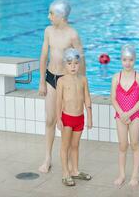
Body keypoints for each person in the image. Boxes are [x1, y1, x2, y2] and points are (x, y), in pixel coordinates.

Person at [38, 0, 86, 173]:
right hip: (51, 77)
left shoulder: (72, 34)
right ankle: (48, 158)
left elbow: (81, 59)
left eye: (51, 13)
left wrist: (82, 84)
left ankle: (71, 163)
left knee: (68, 121)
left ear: (61, 15)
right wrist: (42, 81)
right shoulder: (48, 31)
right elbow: (44, 55)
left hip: (67, 81)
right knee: (50, 119)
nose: (48, 16)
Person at [56, 48, 92, 186]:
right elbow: (58, 101)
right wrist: (58, 118)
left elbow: (87, 98)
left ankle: (75, 171)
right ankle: (66, 173)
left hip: (79, 118)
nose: (73, 66)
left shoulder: (83, 80)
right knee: (65, 146)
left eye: (76, 63)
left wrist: (90, 116)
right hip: (67, 118)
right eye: (70, 63)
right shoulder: (62, 81)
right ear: (65, 64)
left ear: (79, 64)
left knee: (75, 145)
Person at [111, 45, 139, 187]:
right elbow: (113, 98)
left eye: (130, 60)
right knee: (122, 145)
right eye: (125, 59)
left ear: (135, 60)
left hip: (135, 114)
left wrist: (129, 114)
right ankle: (122, 174)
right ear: (121, 60)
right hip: (120, 114)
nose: (127, 63)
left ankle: (135, 175)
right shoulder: (116, 77)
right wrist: (121, 113)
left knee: (135, 144)